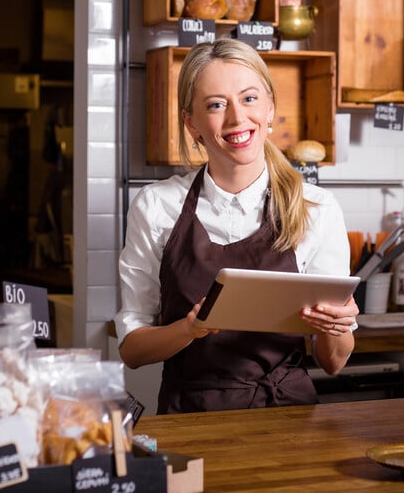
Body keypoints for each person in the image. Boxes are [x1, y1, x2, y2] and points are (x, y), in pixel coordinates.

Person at [115, 38, 358, 414]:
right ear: (192, 123)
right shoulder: (157, 206)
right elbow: (132, 351)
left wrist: (336, 326)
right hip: (190, 418)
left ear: (270, 107)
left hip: (288, 417)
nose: (236, 119)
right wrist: (189, 329)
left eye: (248, 99)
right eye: (215, 105)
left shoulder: (316, 208)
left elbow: (334, 362)